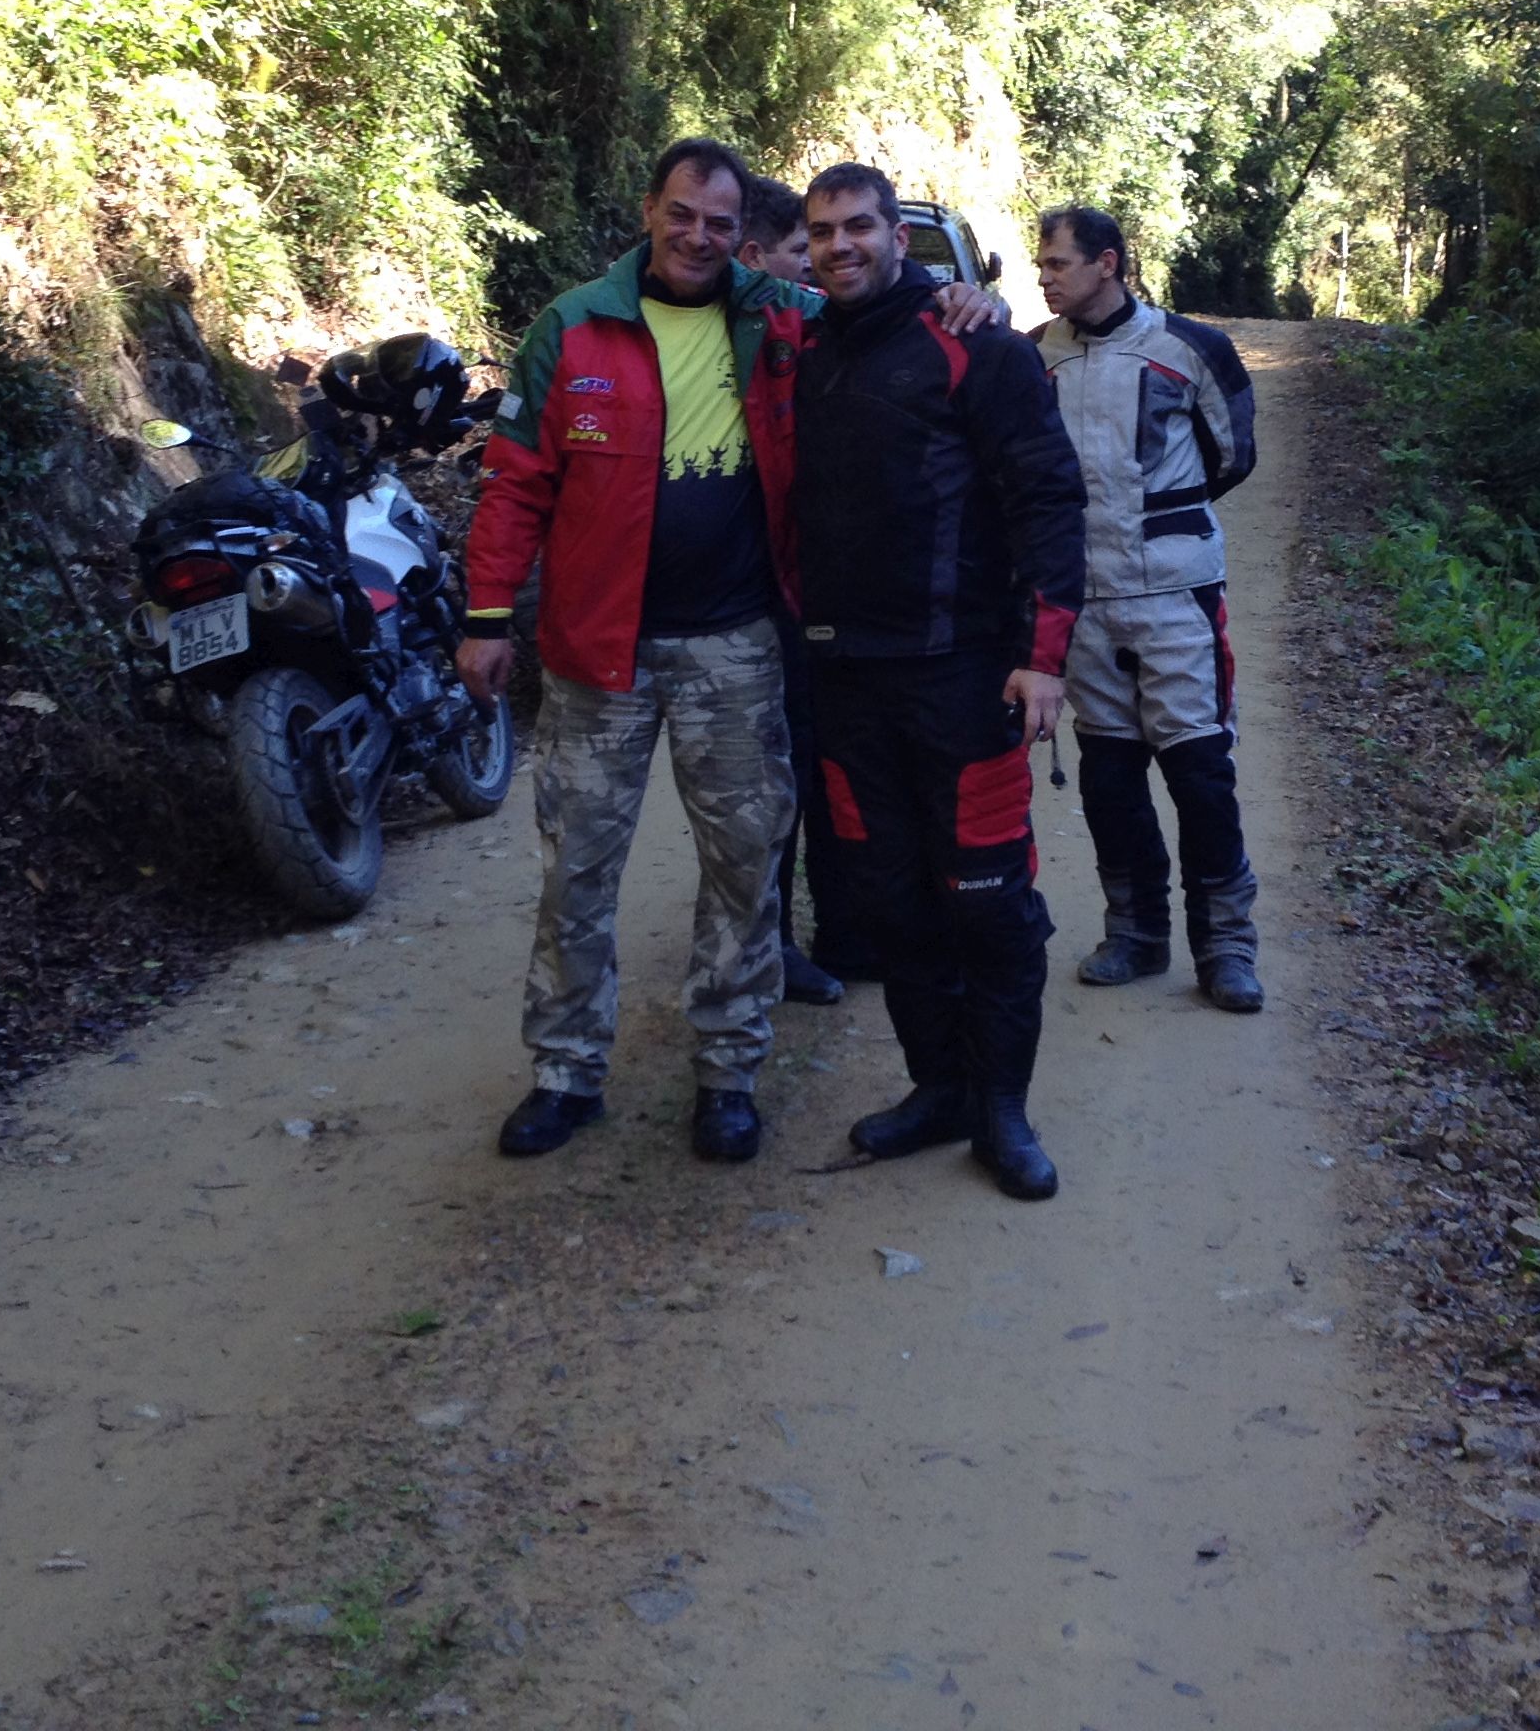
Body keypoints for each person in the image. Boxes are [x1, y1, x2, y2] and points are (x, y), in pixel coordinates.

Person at [457, 138, 803, 1167]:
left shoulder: (778, 316)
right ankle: (565, 1074)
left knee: (745, 869)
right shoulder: (574, 326)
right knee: (578, 874)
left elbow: (886, 319)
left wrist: (952, 305)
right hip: (595, 654)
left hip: (735, 650)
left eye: (721, 222)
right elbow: (516, 481)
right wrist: (483, 619)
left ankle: (729, 1074)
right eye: (682, 213)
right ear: (649, 209)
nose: (700, 236)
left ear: (744, 233)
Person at [795, 164, 1087, 1201]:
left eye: (861, 226)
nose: (843, 245)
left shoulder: (976, 346)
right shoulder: (803, 350)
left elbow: (1050, 498)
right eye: (823, 230)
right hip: (846, 686)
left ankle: (1001, 1110)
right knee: (891, 901)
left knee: (989, 905)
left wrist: (1043, 656)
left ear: (895, 236)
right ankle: (938, 1090)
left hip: (965, 680)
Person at [1029, 206, 1265, 1011]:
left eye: (1059, 263)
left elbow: (1232, 453)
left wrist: (1160, 522)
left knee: (1200, 773)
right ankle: (1134, 931)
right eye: (1041, 263)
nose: (1044, 276)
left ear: (1108, 263)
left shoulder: (1189, 348)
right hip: (1084, 601)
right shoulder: (1035, 357)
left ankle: (1226, 944)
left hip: (1176, 594)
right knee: (1110, 777)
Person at [734, 175, 849, 1009]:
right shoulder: (686, 333)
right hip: (729, 604)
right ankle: (761, 940)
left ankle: (830, 931)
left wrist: (963, 301)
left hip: (807, 591)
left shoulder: (805, 327)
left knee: (815, 763)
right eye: (797, 252)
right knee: (761, 778)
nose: (814, 270)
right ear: (754, 258)